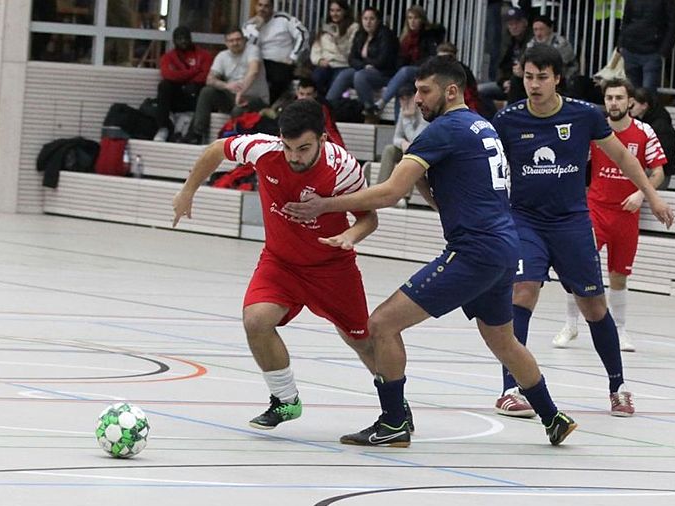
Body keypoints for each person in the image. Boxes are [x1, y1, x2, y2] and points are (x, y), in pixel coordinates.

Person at [282, 56, 579, 448]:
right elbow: (453, 199)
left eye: (425, 91)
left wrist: (325, 205)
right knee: (503, 341)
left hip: (474, 250)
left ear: (450, 91)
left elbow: (389, 193)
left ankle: (393, 423)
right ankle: (552, 417)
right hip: (505, 246)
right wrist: (422, 181)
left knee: (382, 325)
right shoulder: (480, 125)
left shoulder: (443, 130)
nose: (417, 99)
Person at [171, 99, 414, 431]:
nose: (294, 157)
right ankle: (285, 400)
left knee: (360, 340)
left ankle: (396, 408)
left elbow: (368, 219)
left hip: (331, 268)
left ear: (323, 140)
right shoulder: (263, 149)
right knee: (256, 320)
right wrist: (188, 191)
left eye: (303, 148)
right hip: (280, 263)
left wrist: (350, 236)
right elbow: (217, 149)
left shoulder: (342, 166)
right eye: (288, 147)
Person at [491, 45, 674, 418]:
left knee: (593, 305)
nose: (534, 84)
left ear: (557, 78)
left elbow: (624, 157)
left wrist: (652, 196)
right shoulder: (507, 119)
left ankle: (618, 386)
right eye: (528, 77)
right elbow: (485, 163)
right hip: (525, 221)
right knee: (523, 291)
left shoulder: (585, 115)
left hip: (572, 222)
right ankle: (510, 388)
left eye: (542, 77)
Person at [553, 79, 667, 354]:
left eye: (619, 97)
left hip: (627, 214)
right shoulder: (594, 129)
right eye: (609, 98)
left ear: (629, 102)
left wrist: (641, 194)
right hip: (595, 210)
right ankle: (570, 324)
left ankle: (620, 330)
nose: (614, 103)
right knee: (577, 266)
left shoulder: (644, 131)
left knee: (619, 275)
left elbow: (659, 170)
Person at [185, 29, 269, 145]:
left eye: (238, 39)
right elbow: (210, 79)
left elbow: (253, 71)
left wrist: (241, 92)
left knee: (238, 110)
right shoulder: (222, 56)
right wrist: (227, 85)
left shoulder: (252, 50)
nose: (235, 43)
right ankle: (197, 134)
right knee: (207, 92)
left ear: (244, 40)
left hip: (255, 98)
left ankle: (233, 143)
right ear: (226, 43)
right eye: (231, 40)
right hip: (232, 97)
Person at [326, 6, 399, 124]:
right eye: (365, 19)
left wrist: (365, 66)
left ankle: (370, 111)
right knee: (345, 74)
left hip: (384, 73)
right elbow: (351, 58)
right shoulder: (360, 34)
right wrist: (365, 66)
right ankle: (326, 108)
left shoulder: (386, 35)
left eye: (372, 19)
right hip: (364, 70)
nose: (368, 22)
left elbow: (384, 60)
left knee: (360, 76)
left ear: (378, 20)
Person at [374, 5, 445, 119]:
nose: (412, 21)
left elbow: (431, 59)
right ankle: (398, 126)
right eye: (410, 18)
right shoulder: (405, 38)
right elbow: (399, 60)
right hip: (410, 76)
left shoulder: (429, 36)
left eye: (416, 18)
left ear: (422, 20)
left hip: (425, 72)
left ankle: (382, 101)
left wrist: (412, 66)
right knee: (402, 89)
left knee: (405, 71)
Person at [154, 26, 214, 142]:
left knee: (202, 88)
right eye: (179, 39)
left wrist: (183, 77)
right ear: (174, 41)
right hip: (176, 97)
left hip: (194, 95)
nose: (183, 41)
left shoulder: (203, 55)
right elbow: (168, 75)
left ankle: (194, 133)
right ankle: (163, 128)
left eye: (186, 38)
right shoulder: (168, 57)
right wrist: (194, 71)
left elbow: (206, 74)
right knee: (164, 85)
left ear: (190, 39)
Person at [243, 0, 309, 103]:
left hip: (281, 63)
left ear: (272, 7)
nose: (262, 9)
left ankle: (268, 108)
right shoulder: (249, 25)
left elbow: (303, 34)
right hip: (258, 63)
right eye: (260, 5)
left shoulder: (284, 19)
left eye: (266, 6)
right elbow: (248, 47)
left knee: (279, 79)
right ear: (256, 6)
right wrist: (257, 28)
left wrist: (293, 57)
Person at [374, 84, 429, 204]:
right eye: (401, 100)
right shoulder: (402, 110)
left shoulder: (425, 111)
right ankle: (378, 190)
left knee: (411, 155)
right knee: (389, 149)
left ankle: (403, 197)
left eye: (407, 99)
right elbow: (396, 138)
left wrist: (407, 118)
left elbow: (416, 139)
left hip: (423, 150)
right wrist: (403, 143)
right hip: (408, 148)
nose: (404, 103)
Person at [477, 6, 531, 117]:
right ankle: (495, 119)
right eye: (510, 24)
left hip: (523, 85)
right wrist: (503, 82)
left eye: (517, 23)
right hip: (506, 83)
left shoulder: (531, 42)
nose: (514, 27)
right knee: (479, 91)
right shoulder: (507, 41)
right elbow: (501, 66)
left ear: (524, 23)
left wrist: (513, 82)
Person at [618, 0, 675, 94]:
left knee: (647, 95)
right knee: (633, 93)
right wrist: (621, 44)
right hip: (631, 49)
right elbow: (626, 20)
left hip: (652, 51)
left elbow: (674, 25)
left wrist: (663, 51)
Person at [630, 86, 675, 189]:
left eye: (633, 105)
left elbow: (664, 157)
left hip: (659, 172)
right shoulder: (638, 121)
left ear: (644, 106)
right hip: (645, 168)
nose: (629, 107)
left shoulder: (661, 126)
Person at [309, 0, 359, 97]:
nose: (334, 14)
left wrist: (337, 38)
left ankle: (328, 108)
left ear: (345, 11)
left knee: (334, 88)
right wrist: (319, 60)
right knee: (316, 79)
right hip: (325, 65)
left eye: (338, 11)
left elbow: (350, 51)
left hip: (343, 65)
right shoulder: (326, 27)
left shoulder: (353, 27)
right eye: (332, 10)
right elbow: (315, 49)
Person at [435, 42, 486, 118]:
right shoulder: (433, 72)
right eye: (440, 59)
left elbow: (471, 98)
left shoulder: (463, 73)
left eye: (448, 58)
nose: (443, 62)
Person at [526, 14, 579, 82]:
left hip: (564, 77)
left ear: (550, 29)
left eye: (541, 29)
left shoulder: (561, 43)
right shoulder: (532, 43)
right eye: (535, 30)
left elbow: (557, 64)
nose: (538, 34)